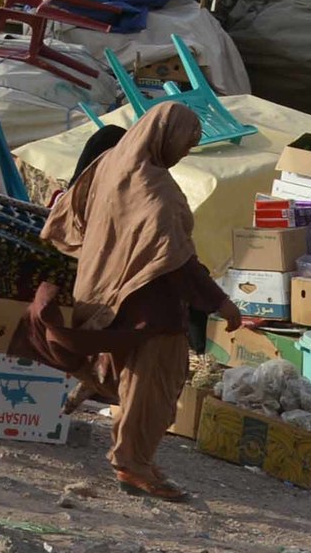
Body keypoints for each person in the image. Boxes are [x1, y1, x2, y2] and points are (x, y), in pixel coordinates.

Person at [28, 104, 242, 502]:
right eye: (185, 143)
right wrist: (221, 303)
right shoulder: (154, 186)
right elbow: (173, 259)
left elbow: (73, 215)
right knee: (153, 389)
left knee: (132, 383)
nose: (184, 153)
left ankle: (134, 456)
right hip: (151, 306)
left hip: (108, 290)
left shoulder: (110, 166)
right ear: (165, 136)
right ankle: (134, 464)